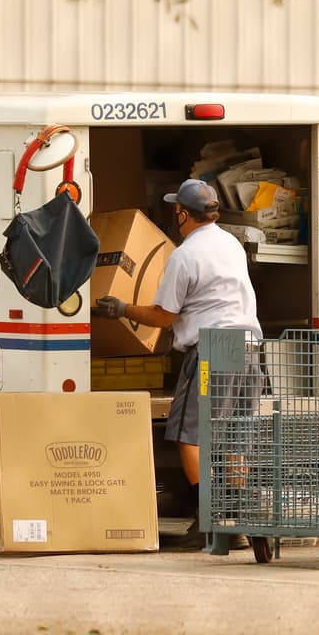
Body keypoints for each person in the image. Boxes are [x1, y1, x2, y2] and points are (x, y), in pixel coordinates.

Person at [92, 178, 262, 550]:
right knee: (235, 435)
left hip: (213, 349)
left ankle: (208, 518)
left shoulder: (184, 255)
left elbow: (163, 316)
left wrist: (120, 309)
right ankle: (238, 521)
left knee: (190, 432)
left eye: (176, 211)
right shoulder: (230, 243)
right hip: (248, 348)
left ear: (183, 214)